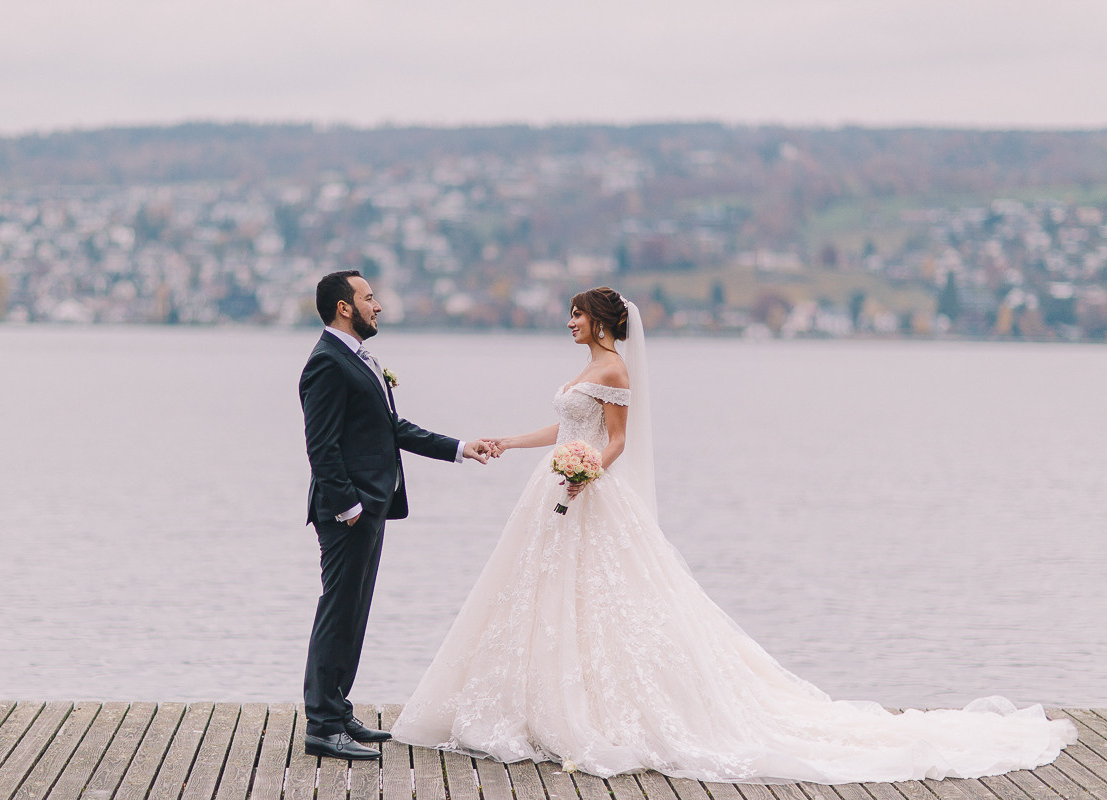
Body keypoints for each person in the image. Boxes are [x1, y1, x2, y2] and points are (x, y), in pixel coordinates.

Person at [391, 286, 1076, 784]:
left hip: (585, 493)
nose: (568, 321)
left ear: (598, 321)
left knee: (603, 602)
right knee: (538, 598)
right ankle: (533, 699)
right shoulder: (583, 371)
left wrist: (586, 471)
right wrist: (511, 443)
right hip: (552, 489)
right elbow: (569, 428)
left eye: (575, 313)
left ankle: (593, 706)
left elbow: (615, 440)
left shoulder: (614, 369)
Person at [299, 270, 492, 761]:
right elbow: (321, 449)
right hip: (349, 512)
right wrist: (349, 508)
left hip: (370, 508)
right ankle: (321, 726)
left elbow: (390, 428)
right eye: (368, 297)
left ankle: (338, 709)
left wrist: (461, 448)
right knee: (337, 611)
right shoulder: (326, 363)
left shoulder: (357, 358)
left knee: (355, 612)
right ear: (345, 307)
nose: (377, 305)